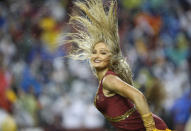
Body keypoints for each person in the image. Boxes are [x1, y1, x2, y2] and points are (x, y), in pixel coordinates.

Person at [66, 0, 170, 130]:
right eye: (94, 52)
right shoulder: (105, 80)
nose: (97, 56)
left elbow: (139, 96)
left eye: (102, 53)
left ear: (109, 58)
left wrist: (151, 128)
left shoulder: (109, 80)